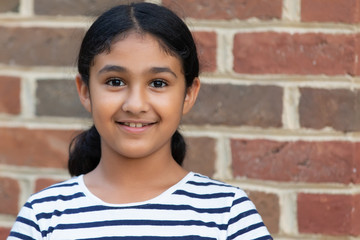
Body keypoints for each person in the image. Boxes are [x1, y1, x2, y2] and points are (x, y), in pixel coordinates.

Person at [8, 2, 272, 240]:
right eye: (115, 82)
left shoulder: (227, 213)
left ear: (189, 94)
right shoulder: (44, 216)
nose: (135, 105)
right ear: (85, 91)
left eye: (158, 83)